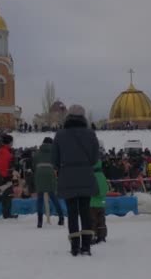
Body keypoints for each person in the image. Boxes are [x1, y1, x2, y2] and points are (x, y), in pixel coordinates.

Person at [52, 105, 99, 256]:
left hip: (67, 177)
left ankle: (74, 247)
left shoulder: (60, 135)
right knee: (85, 211)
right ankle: (86, 246)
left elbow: (55, 160)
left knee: (72, 213)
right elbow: (94, 159)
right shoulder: (91, 134)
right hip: (86, 176)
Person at [33, 137, 64, 228]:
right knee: (53, 197)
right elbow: (57, 165)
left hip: (39, 174)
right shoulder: (54, 153)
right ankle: (61, 218)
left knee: (40, 198)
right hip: (50, 174)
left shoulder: (37, 153)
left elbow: (34, 165)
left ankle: (39, 221)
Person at [90, 154, 109, 244]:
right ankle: (101, 237)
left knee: (92, 221)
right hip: (102, 203)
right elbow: (106, 189)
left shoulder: (91, 176)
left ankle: (92, 237)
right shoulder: (102, 175)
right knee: (101, 221)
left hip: (92, 203)